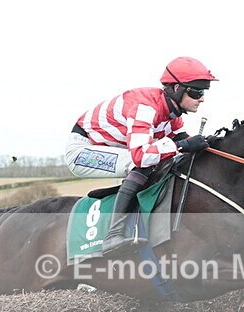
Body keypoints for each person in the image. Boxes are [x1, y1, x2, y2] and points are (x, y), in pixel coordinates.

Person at [65, 56, 218, 256]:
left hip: (113, 148)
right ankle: (113, 235)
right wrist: (183, 145)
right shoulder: (145, 107)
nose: (202, 98)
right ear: (175, 89)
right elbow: (141, 156)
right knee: (144, 162)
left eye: (204, 91)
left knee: (167, 158)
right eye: (196, 91)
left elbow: (185, 143)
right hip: (82, 152)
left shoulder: (172, 115)